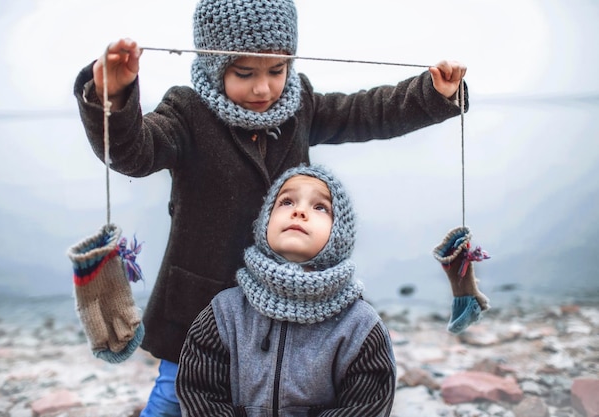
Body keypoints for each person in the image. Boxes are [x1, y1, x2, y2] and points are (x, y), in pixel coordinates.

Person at [73, 0, 467, 414]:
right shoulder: (187, 113)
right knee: (175, 394)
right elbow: (136, 152)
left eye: (276, 70)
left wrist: (433, 93)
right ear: (215, 65)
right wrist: (112, 97)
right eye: (245, 73)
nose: (263, 88)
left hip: (281, 301)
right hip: (199, 303)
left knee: (272, 395)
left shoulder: (300, 107)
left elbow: (367, 112)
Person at [177, 164, 396, 416]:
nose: (300, 211)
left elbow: (365, 405)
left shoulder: (359, 324)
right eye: (287, 202)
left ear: (340, 233)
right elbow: (200, 393)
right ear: (265, 221)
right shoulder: (225, 313)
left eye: (320, 207)